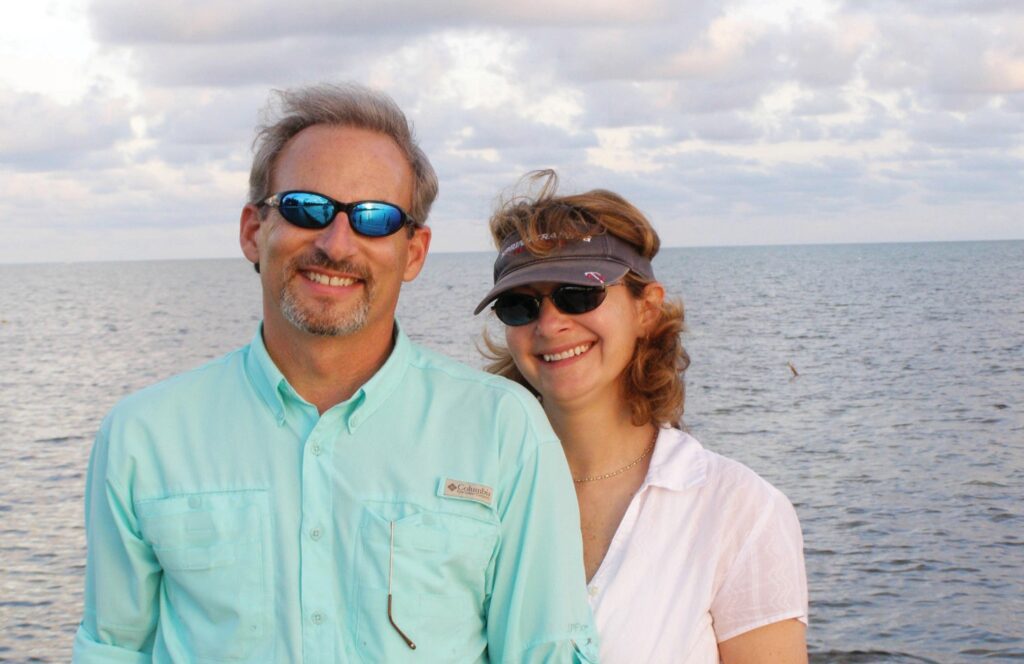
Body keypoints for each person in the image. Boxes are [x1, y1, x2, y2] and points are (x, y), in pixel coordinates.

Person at [72, 86, 598, 663]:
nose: (335, 243)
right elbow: (114, 648)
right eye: (305, 207)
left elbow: (544, 652)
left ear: (414, 251)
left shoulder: (504, 430)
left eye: (374, 217)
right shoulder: (143, 437)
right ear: (253, 230)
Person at [474, 170, 808, 663]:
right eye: (520, 306)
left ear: (646, 309)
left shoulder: (740, 510)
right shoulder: (470, 490)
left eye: (578, 294)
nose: (550, 323)